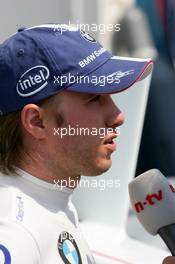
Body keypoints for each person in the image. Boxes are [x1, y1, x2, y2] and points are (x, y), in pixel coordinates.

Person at [0, 23, 169, 263]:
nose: (118, 116)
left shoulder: (49, 201)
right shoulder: (15, 233)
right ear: (37, 121)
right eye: (94, 99)